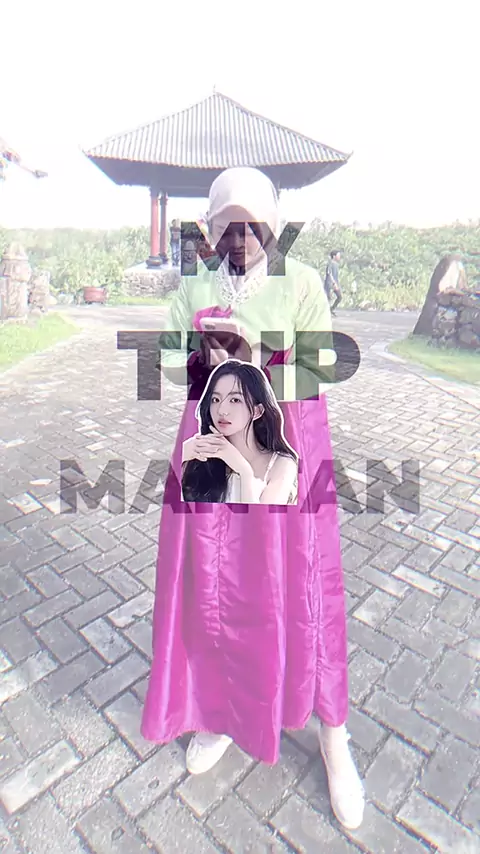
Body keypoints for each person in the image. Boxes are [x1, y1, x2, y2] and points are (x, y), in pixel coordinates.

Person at [141, 166, 365, 830]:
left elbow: (325, 366)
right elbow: (165, 363)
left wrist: (259, 357)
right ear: (211, 231)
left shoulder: (300, 282)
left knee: (302, 584)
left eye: (251, 223)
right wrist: (201, 359)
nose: (238, 236)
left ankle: (333, 737)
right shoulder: (196, 286)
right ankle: (218, 712)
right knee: (214, 583)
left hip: (283, 447)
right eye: (225, 224)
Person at [181, 359, 298, 504]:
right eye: (215, 399)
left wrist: (244, 472)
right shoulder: (196, 458)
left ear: (257, 411)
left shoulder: (281, 465)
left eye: (235, 400)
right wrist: (181, 455)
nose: (222, 410)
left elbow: (263, 519)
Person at [325, 249, 342, 315]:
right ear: (334, 256)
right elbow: (329, 273)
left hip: (335, 284)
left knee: (339, 297)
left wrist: (337, 284)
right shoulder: (330, 263)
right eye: (338, 255)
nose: (339, 257)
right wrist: (334, 283)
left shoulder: (336, 264)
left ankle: (331, 309)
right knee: (328, 298)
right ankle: (326, 312)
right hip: (330, 284)